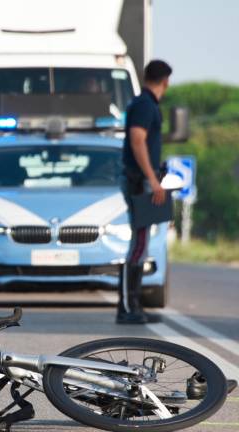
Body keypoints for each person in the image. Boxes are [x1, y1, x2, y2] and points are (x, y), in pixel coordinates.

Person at [116, 60, 172, 324]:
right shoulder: (145, 105)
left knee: (141, 244)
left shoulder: (144, 104)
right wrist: (153, 179)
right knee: (138, 245)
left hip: (141, 179)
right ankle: (128, 307)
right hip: (139, 181)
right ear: (166, 81)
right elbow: (138, 141)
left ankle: (133, 305)